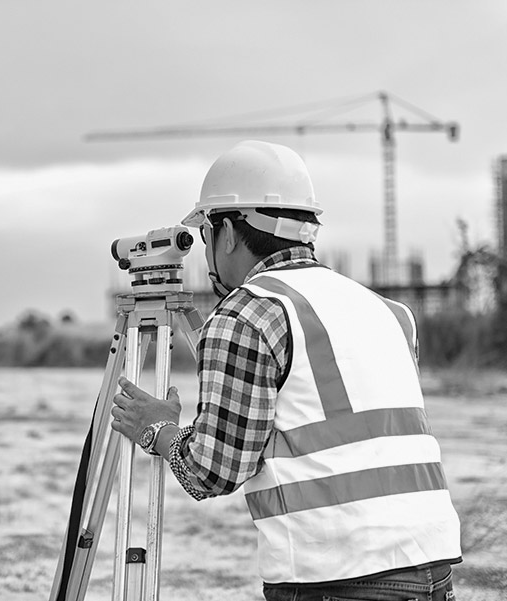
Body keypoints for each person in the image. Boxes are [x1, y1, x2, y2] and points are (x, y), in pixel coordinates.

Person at [110, 140, 461, 600]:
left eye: (207, 233)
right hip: (432, 571)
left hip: (337, 581)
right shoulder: (390, 311)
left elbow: (211, 472)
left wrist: (158, 429)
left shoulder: (246, 314)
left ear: (229, 232)